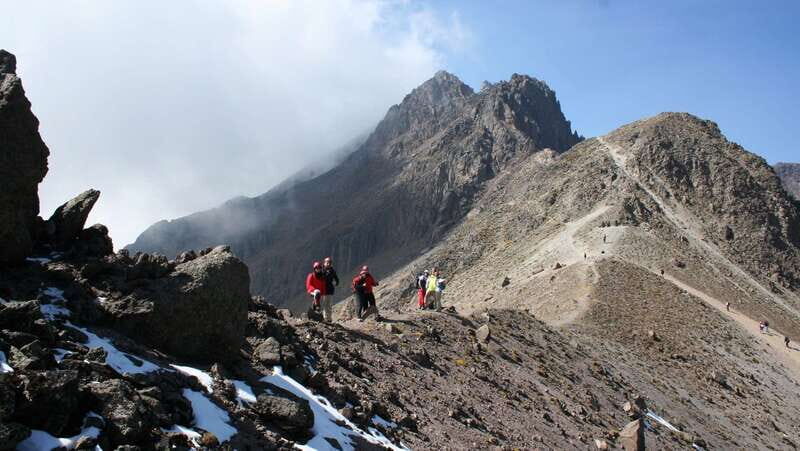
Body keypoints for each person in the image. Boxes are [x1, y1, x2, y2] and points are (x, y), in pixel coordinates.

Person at [320, 257, 339, 323]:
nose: (328, 264)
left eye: (329, 263)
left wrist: (336, 283)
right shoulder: (322, 270)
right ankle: (325, 318)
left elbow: (337, 279)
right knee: (325, 304)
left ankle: (329, 318)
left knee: (329, 304)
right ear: (324, 263)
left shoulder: (333, 271)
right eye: (327, 262)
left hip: (330, 290)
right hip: (323, 289)